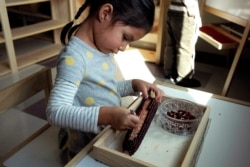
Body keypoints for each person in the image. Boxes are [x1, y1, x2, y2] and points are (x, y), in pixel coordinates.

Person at [46, 0, 163, 164]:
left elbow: (103, 89)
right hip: (85, 151)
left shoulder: (102, 49)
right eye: (125, 37)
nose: (124, 47)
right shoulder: (74, 58)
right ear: (105, 13)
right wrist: (107, 116)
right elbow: (55, 112)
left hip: (106, 137)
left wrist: (133, 85)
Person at [163, 0, 202, 87]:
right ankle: (183, 78)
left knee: (170, 44)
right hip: (184, 12)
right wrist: (193, 11)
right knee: (185, 47)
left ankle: (168, 71)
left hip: (172, 10)